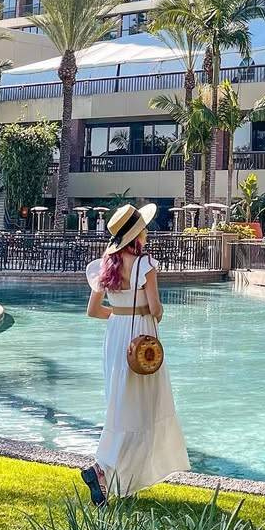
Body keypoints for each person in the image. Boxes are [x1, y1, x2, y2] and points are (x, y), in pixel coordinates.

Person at [82, 202, 188, 503]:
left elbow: (92, 311)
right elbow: (155, 309)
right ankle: (103, 470)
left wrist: (118, 317)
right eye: (144, 228)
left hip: (116, 338)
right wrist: (145, 316)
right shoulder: (145, 264)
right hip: (142, 338)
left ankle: (114, 478)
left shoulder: (106, 263)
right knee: (145, 409)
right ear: (137, 233)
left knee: (119, 406)